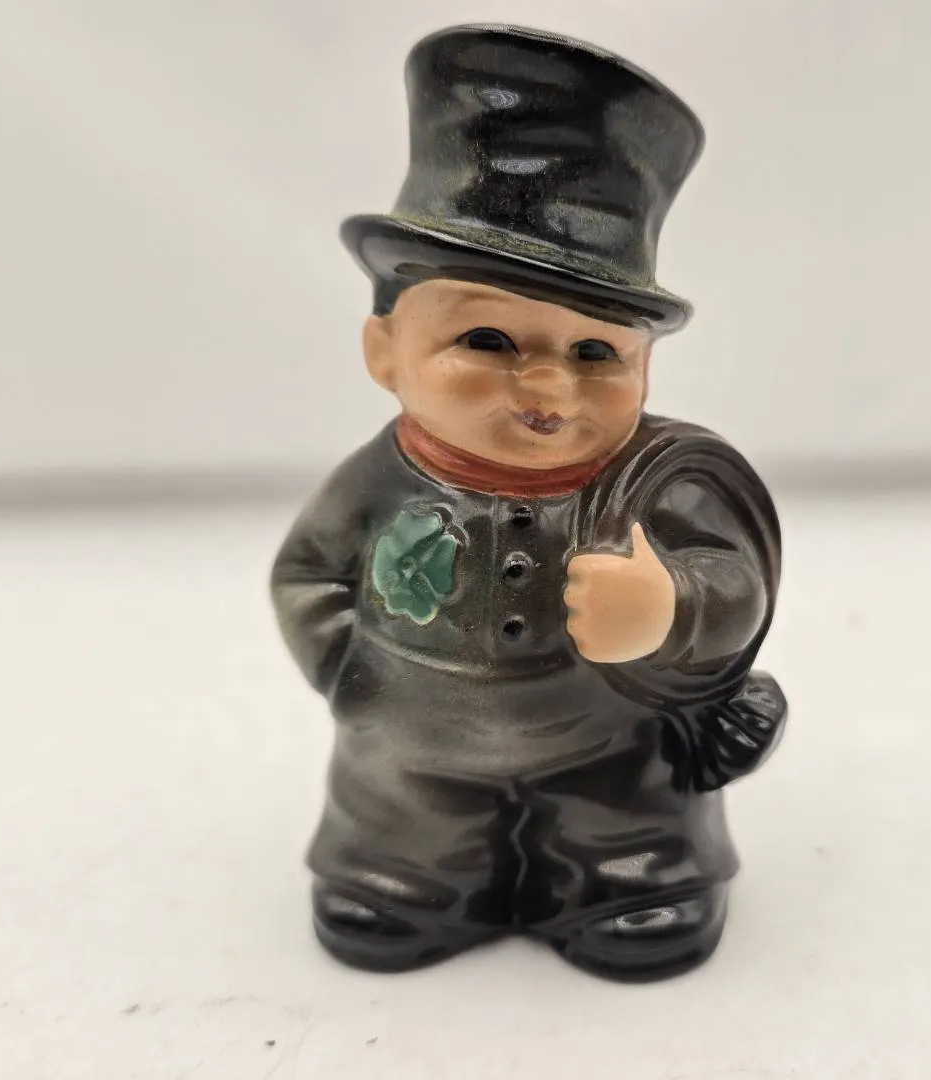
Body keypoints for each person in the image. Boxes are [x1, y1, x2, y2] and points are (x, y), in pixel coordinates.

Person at [271, 23, 786, 981]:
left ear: (644, 366)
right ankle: (406, 879)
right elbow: (307, 573)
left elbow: (735, 581)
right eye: (487, 341)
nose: (547, 387)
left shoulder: (654, 482)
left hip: (606, 742)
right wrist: (355, 675)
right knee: (405, 832)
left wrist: (670, 606)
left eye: (595, 353)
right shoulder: (376, 481)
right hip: (410, 752)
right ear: (385, 350)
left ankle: (626, 880)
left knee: (625, 820)